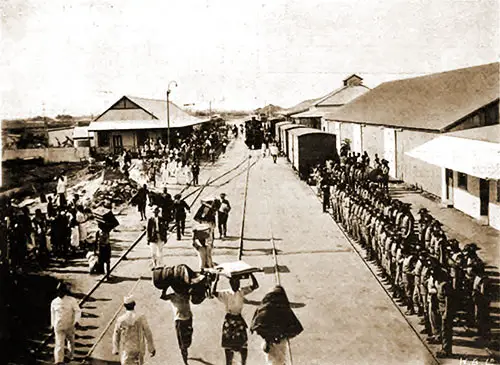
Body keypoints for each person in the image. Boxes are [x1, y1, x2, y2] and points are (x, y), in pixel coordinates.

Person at [213, 273, 259, 365]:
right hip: (229, 320)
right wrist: (216, 281)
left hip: (238, 318)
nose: (237, 284)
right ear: (230, 283)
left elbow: (255, 285)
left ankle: (243, 363)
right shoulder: (226, 293)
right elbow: (213, 292)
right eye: (234, 282)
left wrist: (250, 274)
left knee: (243, 345)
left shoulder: (241, 291)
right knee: (228, 347)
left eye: (238, 282)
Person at [250, 286, 303, 365]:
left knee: (274, 361)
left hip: (271, 342)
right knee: (278, 361)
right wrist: (282, 336)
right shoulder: (283, 309)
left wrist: (267, 338)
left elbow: (256, 326)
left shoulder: (263, 309)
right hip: (278, 342)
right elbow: (295, 328)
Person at [112, 295, 156, 365]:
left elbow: (116, 335)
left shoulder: (121, 320)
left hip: (126, 350)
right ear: (134, 304)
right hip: (139, 349)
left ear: (124, 306)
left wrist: (115, 349)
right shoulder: (141, 317)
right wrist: (151, 348)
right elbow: (148, 333)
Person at [50, 282, 81, 365]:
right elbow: (52, 314)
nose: (59, 293)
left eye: (61, 291)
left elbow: (78, 311)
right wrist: (52, 324)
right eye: (58, 291)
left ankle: (70, 355)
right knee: (59, 344)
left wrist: (76, 321)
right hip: (59, 326)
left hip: (69, 325)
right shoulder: (54, 302)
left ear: (64, 291)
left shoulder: (72, 300)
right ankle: (59, 361)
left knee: (71, 341)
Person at [160, 291, 193, 365]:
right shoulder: (173, 296)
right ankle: (185, 359)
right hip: (180, 320)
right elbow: (162, 297)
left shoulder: (186, 293)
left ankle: (185, 352)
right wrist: (164, 289)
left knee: (188, 339)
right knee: (182, 341)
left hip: (188, 318)